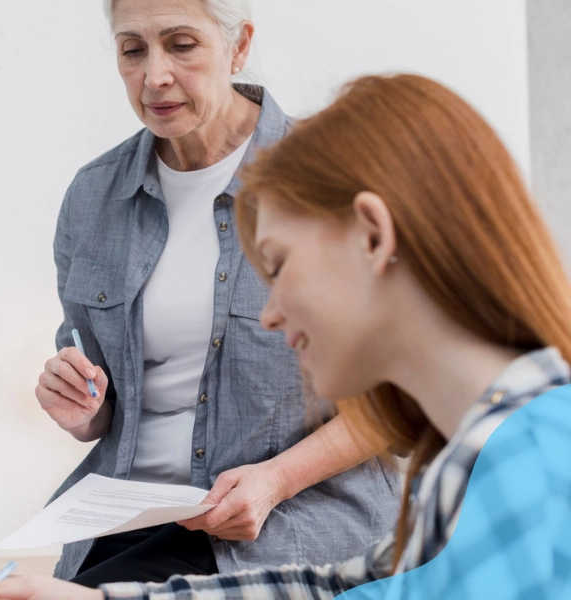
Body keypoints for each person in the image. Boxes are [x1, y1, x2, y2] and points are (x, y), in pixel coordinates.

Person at [0, 73, 571, 599]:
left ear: (372, 236)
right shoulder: (472, 454)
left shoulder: (528, 460)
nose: (272, 313)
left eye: (278, 268)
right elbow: (338, 587)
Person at [34, 0, 398, 585]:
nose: (154, 76)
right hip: (125, 521)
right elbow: (100, 404)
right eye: (133, 50)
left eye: (181, 45)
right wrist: (79, 406)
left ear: (240, 45)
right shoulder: (93, 196)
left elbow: (396, 396)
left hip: (288, 523)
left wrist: (276, 479)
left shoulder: (330, 181)